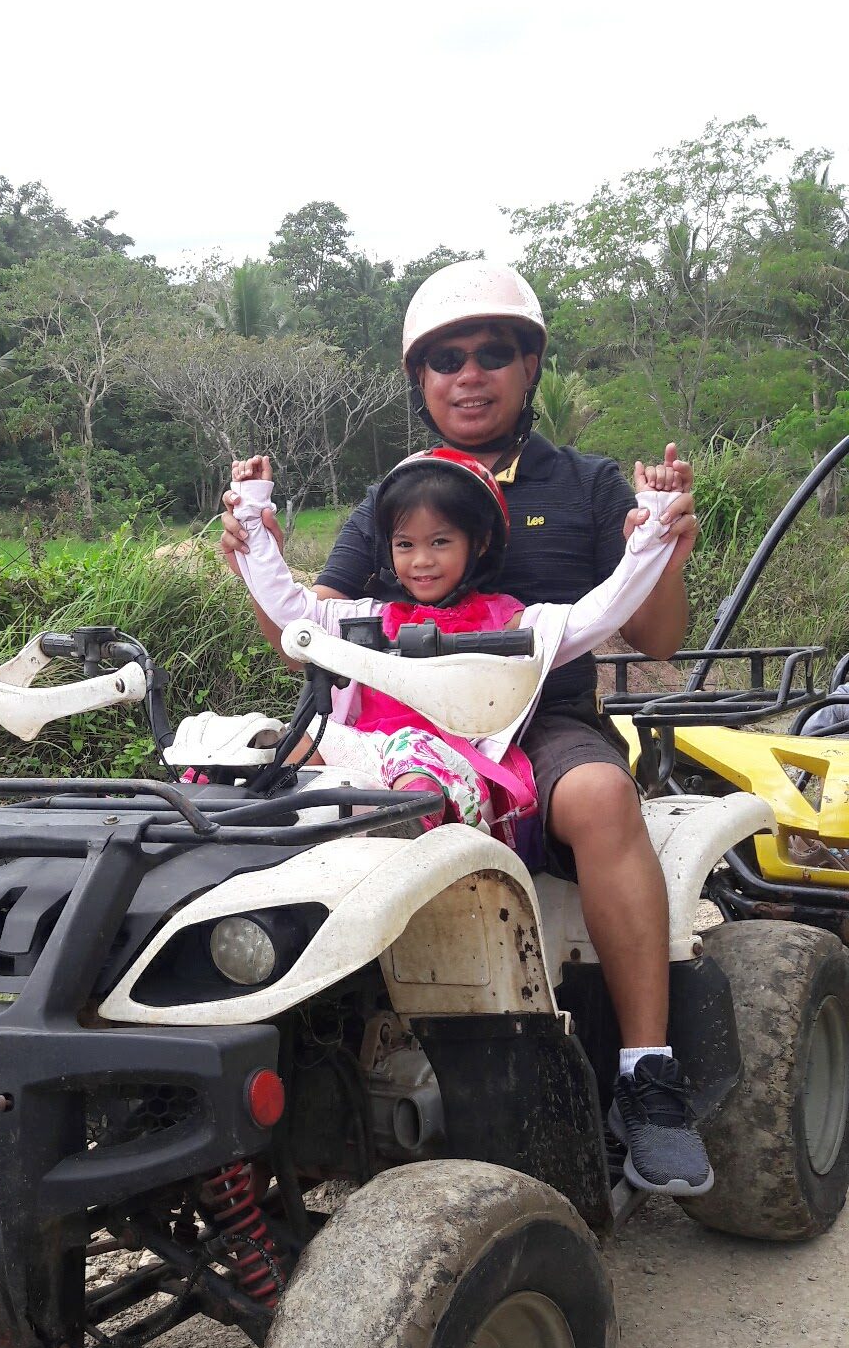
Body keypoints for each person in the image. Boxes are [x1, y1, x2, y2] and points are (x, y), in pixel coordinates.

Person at [219, 261, 711, 1199]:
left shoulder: (590, 486)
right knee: (259, 794)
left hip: (544, 723)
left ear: (529, 366)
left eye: (492, 353)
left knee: (604, 793)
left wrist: (664, 548)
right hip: (405, 728)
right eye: (446, 358)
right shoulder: (395, 496)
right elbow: (309, 641)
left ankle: (647, 1073)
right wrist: (256, 559)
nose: (469, 374)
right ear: (423, 379)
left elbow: (654, 635)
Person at [230, 446, 684, 854]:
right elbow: (289, 609)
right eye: (405, 545)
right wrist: (252, 519)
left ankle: (400, 845)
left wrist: (651, 535)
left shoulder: (511, 624)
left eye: (440, 542)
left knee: (411, 759)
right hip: (365, 755)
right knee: (274, 744)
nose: (421, 560)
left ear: (479, 544)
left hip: (455, 765)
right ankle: (262, 850)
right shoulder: (362, 618)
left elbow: (600, 612)